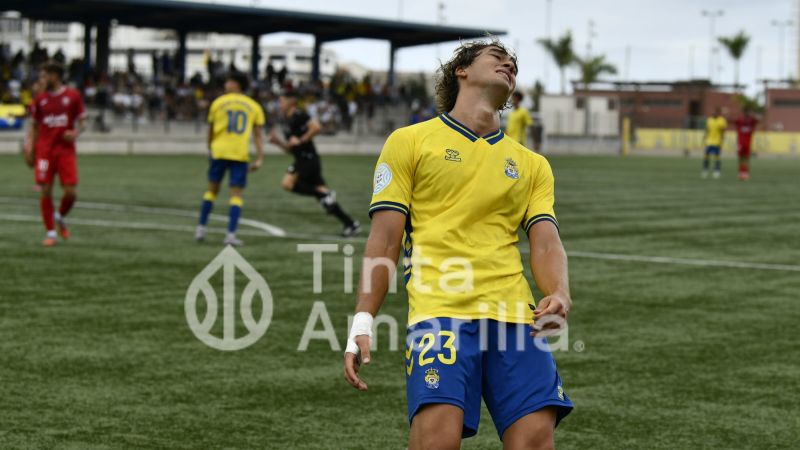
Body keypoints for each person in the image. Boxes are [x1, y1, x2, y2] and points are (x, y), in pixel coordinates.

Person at [343, 39, 573, 448]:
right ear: (461, 71)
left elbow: (545, 241)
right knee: (438, 440)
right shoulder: (409, 142)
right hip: (440, 312)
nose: (508, 64)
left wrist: (558, 291)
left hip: (515, 318)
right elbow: (385, 238)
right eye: (496, 57)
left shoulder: (533, 165)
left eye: (513, 64)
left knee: (536, 440)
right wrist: (363, 319)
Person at [268, 91, 360, 237]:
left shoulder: (299, 115)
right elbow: (291, 148)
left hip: (308, 159)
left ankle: (325, 194)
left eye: (281, 101)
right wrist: (277, 142)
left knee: (288, 183)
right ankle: (350, 224)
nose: (279, 104)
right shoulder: (287, 121)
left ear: (291, 102)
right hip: (302, 159)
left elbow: (316, 127)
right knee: (324, 199)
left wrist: (302, 140)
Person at [194, 71, 264, 246]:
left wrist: (209, 148)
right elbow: (258, 136)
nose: (226, 84)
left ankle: (201, 228)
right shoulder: (254, 106)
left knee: (211, 191)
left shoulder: (218, 103)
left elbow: (210, 129)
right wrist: (260, 157)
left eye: (229, 81)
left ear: (236, 84)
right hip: (239, 153)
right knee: (236, 195)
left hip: (220, 152)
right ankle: (230, 234)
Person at [24, 61, 86, 247]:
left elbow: (83, 121)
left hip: (65, 151)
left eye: (45, 75)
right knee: (45, 189)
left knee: (71, 192)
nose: (42, 79)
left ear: (55, 75)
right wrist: (31, 148)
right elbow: (34, 127)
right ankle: (51, 232)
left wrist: (75, 133)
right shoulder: (40, 100)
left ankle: (58, 215)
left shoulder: (73, 96)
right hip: (44, 153)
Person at [734, 108, 759, 181]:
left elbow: (759, 120)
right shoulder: (740, 120)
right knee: (740, 159)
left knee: (747, 159)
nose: (748, 114)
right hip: (740, 142)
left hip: (748, 143)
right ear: (744, 113)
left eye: (749, 112)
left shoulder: (752, 121)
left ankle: (745, 173)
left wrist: (753, 115)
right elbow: (732, 120)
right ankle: (740, 173)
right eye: (747, 112)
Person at [702, 107, 727, 179]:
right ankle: (705, 170)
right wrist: (704, 137)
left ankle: (717, 171)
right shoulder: (709, 120)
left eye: (714, 112)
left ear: (717, 113)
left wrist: (722, 138)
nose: (713, 113)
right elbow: (707, 129)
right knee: (706, 156)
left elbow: (723, 130)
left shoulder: (721, 120)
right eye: (712, 112)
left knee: (717, 157)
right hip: (709, 141)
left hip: (717, 141)